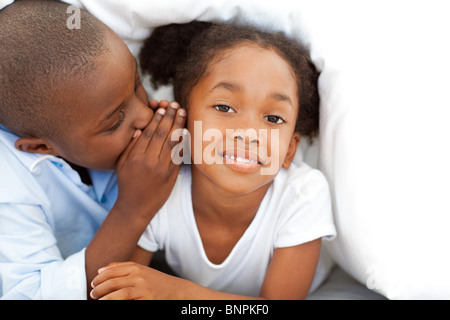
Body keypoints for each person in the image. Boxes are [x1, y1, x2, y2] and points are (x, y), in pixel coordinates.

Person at [90, 22, 336, 300]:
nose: (247, 133)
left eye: (273, 118)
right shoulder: (161, 187)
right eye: (224, 107)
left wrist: (177, 292)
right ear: (184, 121)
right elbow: (112, 287)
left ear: (290, 150)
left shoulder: (301, 195)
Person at [0, 0, 186, 299]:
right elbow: (34, 293)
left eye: (137, 86)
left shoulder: (99, 81)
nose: (144, 115)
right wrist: (134, 209)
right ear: (40, 147)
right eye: (114, 122)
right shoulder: (7, 190)